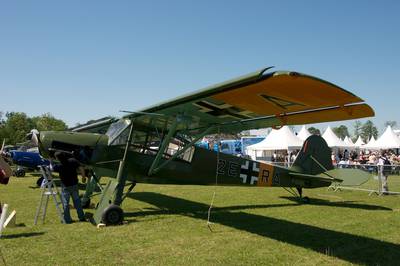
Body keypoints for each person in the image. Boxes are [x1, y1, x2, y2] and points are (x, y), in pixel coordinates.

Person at [53, 152, 85, 223]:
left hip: (66, 187)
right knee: (77, 202)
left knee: (66, 203)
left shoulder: (59, 166)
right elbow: (81, 168)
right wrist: (83, 177)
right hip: (74, 185)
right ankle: (82, 217)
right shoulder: (73, 161)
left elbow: (51, 168)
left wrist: (50, 161)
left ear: (57, 159)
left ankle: (67, 220)